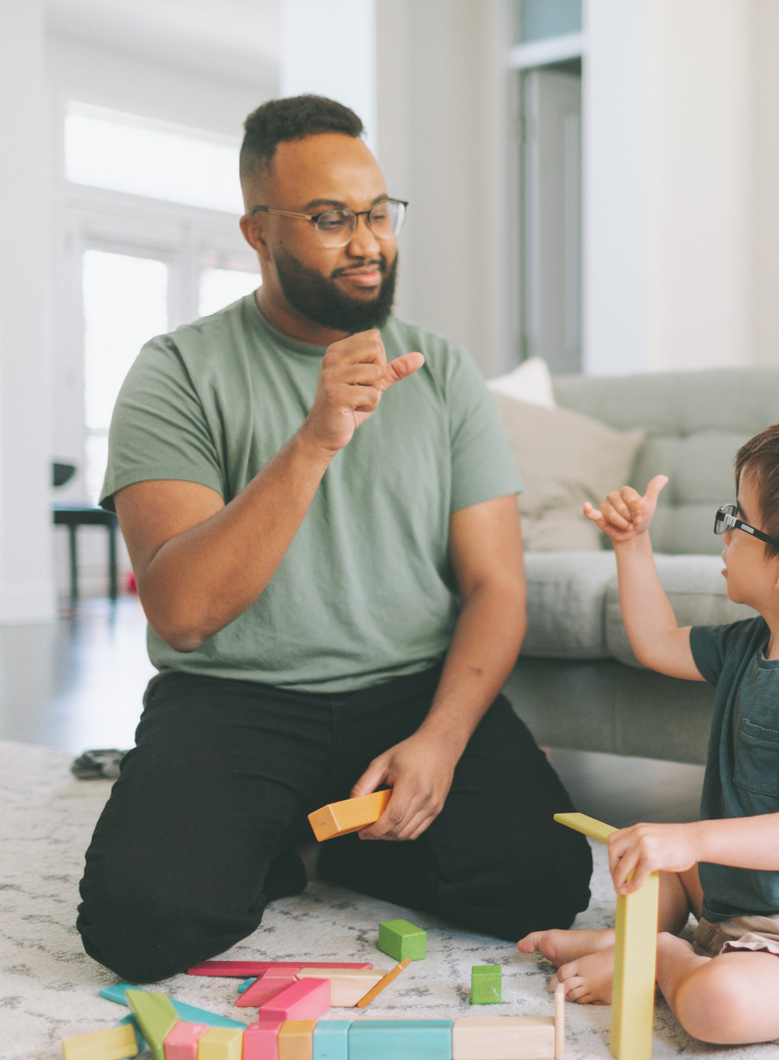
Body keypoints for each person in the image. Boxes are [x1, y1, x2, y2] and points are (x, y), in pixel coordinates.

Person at [76, 94, 592, 984]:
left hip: (408, 693)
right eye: (329, 219)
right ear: (257, 231)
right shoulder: (177, 371)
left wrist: (442, 739)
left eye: (378, 213)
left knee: (543, 882)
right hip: (236, 699)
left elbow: (496, 585)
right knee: (139, 925)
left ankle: (321, 837)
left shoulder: (445, 370)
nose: (367, 242)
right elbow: (184, 612)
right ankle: (290, 835)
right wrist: (314, 439)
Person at [519, 420, 779, 1045]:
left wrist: (691, 838)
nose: (723, 533)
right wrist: (632, 544)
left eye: (736, 520)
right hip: (730, 895)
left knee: (718, 1008)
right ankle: (644, 940)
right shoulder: (754, 642)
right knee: (652, 865)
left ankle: (658, 957)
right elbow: (658, 643)